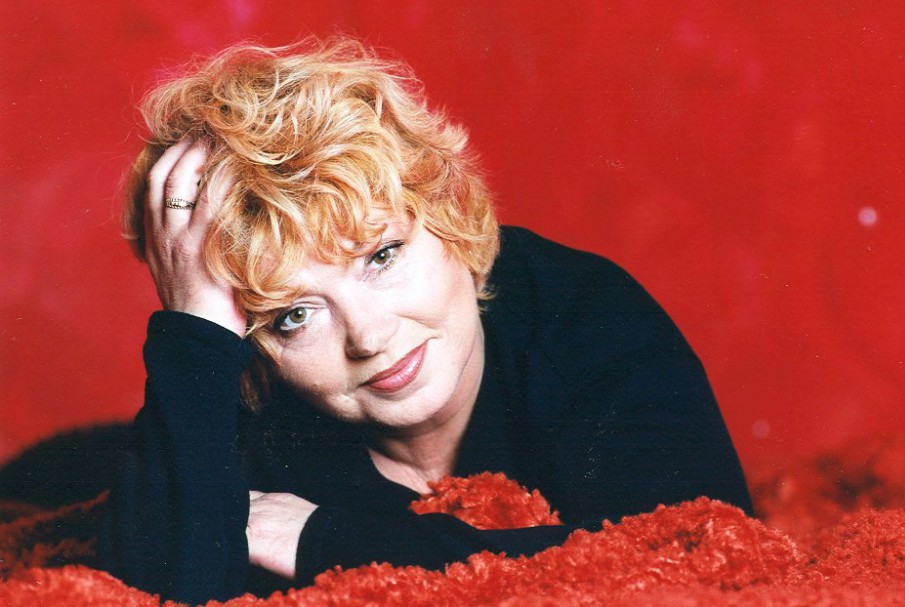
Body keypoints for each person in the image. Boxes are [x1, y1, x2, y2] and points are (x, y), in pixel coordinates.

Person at [98, 37, 753, 605]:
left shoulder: (585, 313)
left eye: (381, 255)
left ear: (451, 215)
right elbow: (159, 588)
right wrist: (197, 335)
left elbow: (706, 554)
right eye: (293, 315)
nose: (370, 335)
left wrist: (324, 540)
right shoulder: (244, 391)